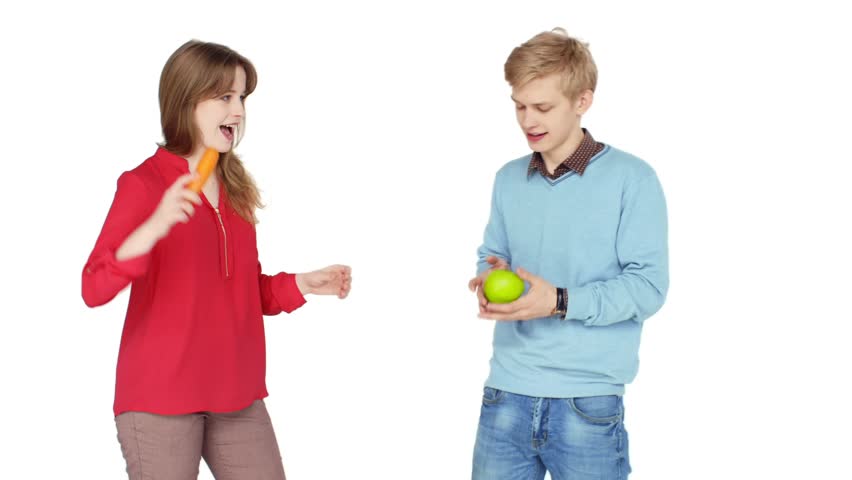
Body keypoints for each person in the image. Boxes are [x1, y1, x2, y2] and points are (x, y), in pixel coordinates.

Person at [82, 39, 352, 479]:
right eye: (225, 97)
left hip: (237, 396)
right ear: (187, 101)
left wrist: (301, 283)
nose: (239, 110)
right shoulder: (143, 185)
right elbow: (93, 287)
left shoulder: (234, 185)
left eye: (242, 96)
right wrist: (154, 226)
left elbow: (242, 289)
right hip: (160, 400)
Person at [468, 28, 669, 479]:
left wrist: (558, 301)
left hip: (587, 404)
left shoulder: (632, 180)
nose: (527, 120)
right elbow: (492, 253)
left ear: (583, 101)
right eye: (519, 106)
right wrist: (488, 276)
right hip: (505, 395)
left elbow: (648, 288)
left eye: (542, 107)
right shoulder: (508, 178)